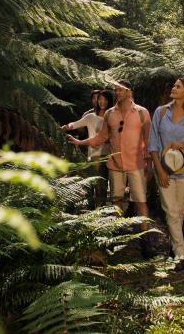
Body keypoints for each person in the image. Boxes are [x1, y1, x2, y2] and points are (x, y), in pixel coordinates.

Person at [65, 80, 155, 256]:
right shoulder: (109, 115)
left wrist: (149, 165)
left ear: (129, 91)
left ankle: (146, 242)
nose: (117, 92)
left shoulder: (142, 113)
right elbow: (100, 137)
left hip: (136, 165)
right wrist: (79, 142)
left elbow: (148, 141)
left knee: (140, 202)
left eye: (120, 89)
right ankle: (115, 238)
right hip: (115, 165)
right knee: (116, 202)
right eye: (115, 89)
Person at [148, 78, 184, 272]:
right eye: (173, 85)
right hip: (163, 170)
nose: (173, 88)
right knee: (171, 211)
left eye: (177, 86)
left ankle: (174, 249)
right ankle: (182, 255)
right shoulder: (161, 112)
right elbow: (153, 144)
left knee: (179, 211)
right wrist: (159, 170)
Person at [61, 89, 114, 206]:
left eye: (105, 99)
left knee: (106, 186)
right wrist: (65, 127)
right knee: (97, 184)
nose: (102, 102)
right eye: (100, 99)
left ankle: (102, 211)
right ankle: (96, 210)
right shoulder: (90, 117)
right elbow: (75, 124)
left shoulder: (113, 116)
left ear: (110, 101)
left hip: (111, 155)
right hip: (95, 155)